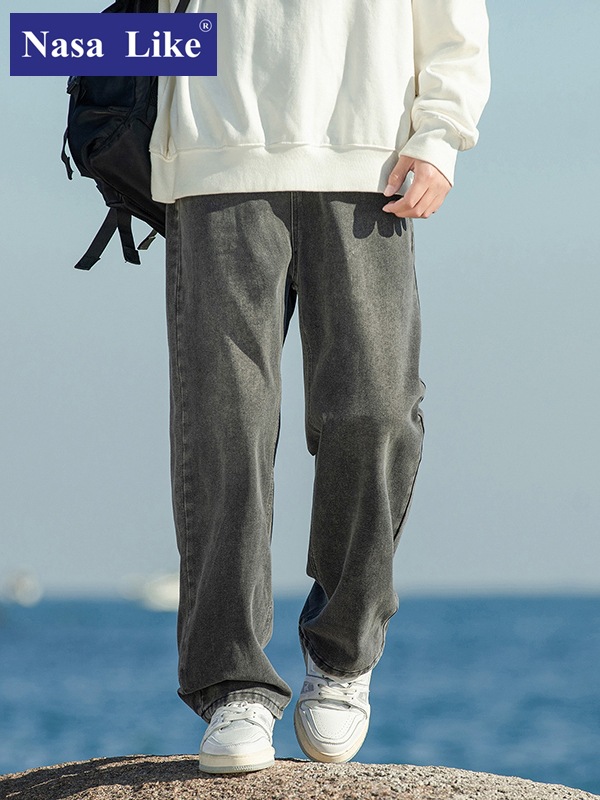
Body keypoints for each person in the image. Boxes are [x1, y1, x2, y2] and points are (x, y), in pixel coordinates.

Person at [150, 0, 491, 775]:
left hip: (371, 159)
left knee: (377, 413)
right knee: (225, 423)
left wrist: (441, 132)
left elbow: (455, 18)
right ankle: (233, 682)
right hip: (217, 152)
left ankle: (342, 654)